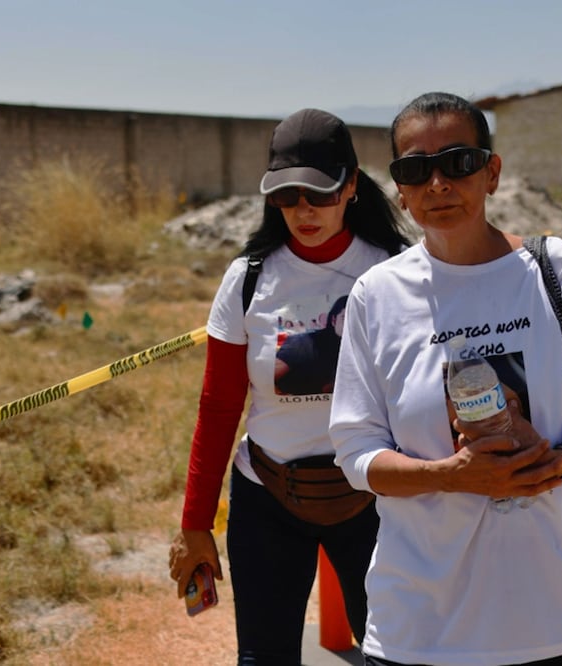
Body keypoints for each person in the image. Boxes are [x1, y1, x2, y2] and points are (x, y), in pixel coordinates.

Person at [329, 92, 562, 666]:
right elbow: (355, 453)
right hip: (422, 629)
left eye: (459, 162)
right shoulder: (377, 296)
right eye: (415, 169)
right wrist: (450, 476)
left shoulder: (554, 271)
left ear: (492, 172)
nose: (438, 183)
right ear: (399, 186)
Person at [168, 108, 413, 664]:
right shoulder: (248, 278)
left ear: (351, 185)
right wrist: (195, 524)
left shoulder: (397, 271)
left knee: (398, 655)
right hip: (267, 502)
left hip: (376, 503)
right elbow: (219, 405)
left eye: (320, 192)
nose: (303, 210)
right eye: (286, 195)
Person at [275, 294, 348, 395]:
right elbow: (268, 382)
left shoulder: (359, 350)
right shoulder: (303, 344)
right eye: (345, 318)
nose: (352, 323)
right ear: (333, 320)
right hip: (295, 407)